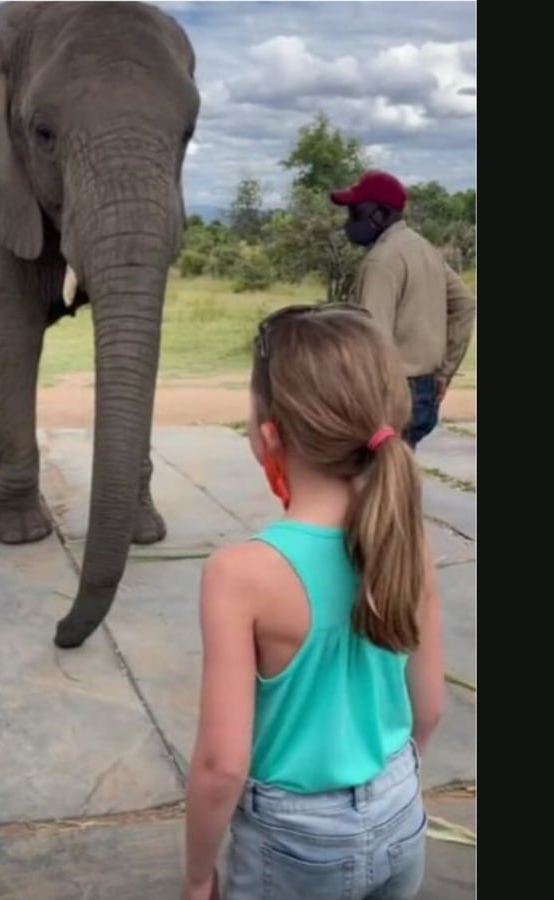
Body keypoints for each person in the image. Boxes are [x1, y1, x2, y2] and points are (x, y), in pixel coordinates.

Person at [180, 304, 448, 900]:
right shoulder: (408, 540)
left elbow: (222, 764)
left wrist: (199, 876)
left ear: (269, 434)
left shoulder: (240, 574)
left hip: (295, 840)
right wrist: (383, 789)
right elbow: (427, 709)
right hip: (400, 807)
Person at [330, 169, 477, 447]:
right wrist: (445, 371)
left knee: (377, 484)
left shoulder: (380, 262)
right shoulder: (423, 248)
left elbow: (372, 338)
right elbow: (465, 304)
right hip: (424, 391)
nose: (349, 222)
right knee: (400, 475)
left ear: (380, 215)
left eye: (355, 212)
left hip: (391, 395)